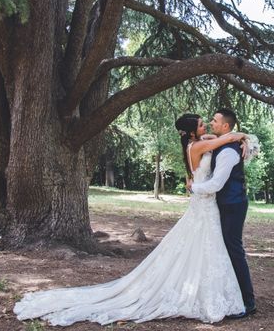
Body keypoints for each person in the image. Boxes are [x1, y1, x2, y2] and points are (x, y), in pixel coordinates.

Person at [13, 113, 246, 325]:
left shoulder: (194, 143)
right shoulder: (201, 145)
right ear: (194, 131)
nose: (206, 124)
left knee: (202, 248)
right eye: (202, 124)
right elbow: (223, 140)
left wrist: (242, 141)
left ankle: (202, 291)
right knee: (205, 246)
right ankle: (207, 295)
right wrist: (243, 136)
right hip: (203, 203)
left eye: (208, 122)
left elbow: (218, 142)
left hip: (204, 205)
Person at [187, 108, 256, 318]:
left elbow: (216, 183)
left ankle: (248, 302)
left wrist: (193, 188)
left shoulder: (228, 151)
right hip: (225, 204)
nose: (211, 123)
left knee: (234, 250)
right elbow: (209, 139)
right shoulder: (221, 142)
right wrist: (244, 137)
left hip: (233, 204)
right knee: (225, 249)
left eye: (214, 121)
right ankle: (233, 294)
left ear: (225, 126)